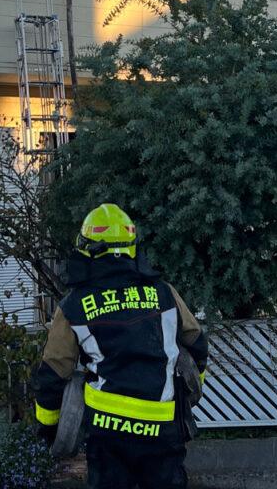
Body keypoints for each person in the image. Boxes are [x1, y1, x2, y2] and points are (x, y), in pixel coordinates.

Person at [32, 203, 209, 489]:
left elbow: (54, 370)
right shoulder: (164, 294)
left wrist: (48, 427)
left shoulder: (75, 305)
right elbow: (197, 344)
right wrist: (191, 394)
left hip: (108, 435)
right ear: (131, 246)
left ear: (87, 247)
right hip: (163, 430)